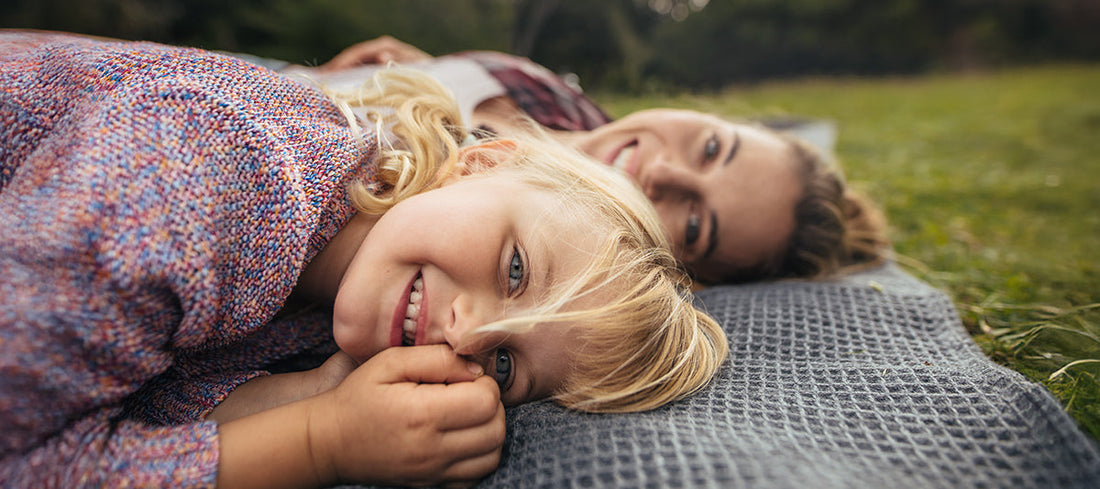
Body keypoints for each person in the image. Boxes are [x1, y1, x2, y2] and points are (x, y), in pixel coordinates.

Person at [0, 31, 727, 488]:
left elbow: (143, 399)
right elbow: (25, 455)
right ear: (481, 162)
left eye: (505, 366)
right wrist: (320, 441)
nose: (468, 336)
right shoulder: (203, 165)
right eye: (515, 270)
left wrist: (319, 390)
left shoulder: (338, 297)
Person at [278, 36, 891, 285]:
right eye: (710, 147)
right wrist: (392, 69)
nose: (667, 174)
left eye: (697, 225)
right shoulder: (545, 90)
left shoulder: (478, 242)